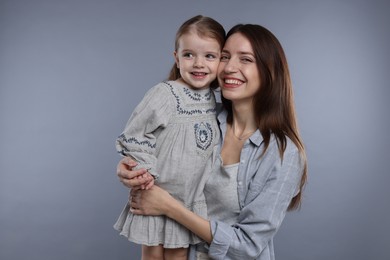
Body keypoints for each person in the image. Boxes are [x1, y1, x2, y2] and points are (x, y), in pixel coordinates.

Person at [118, 23, 308, 260]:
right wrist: (130, 166)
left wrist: (169, 207)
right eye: (225, 56)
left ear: (269, 71)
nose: (229, 67)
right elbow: (153, 149)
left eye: (245, 59)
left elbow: (248, 246)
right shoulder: (198, 120)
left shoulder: (283, 154)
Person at [113, 15, 225, 260]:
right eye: (189, 55)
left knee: (179, 256)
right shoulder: (165, 94)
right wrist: (145, 172)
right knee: (153, 255)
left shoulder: (214, 101)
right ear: (176, 57)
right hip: (158, 193)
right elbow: (135, 134)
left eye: (209, 56)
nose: (198, 64)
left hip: (188, 201)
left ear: (220, 61)